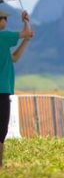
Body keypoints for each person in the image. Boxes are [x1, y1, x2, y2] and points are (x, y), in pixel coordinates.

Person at [0, 10, 33, 168]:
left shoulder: (4, 42)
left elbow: (14, 58)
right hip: (2, 90)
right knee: (1, 129)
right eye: (4, 18)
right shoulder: (3, 36)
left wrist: (26, 41)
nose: (5, 21)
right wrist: (26, 20)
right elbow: (26, 31)